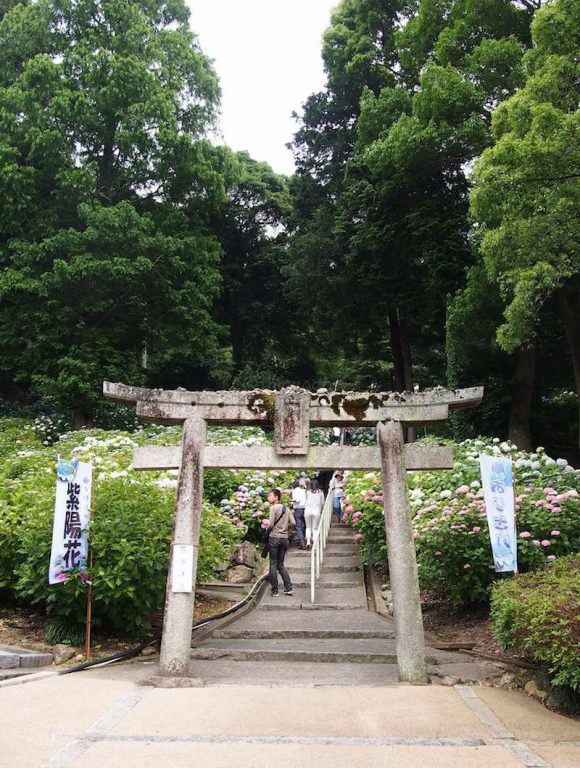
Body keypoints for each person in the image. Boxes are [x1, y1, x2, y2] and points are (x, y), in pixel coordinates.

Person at [266, 488, 294, 597]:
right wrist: (285, 529)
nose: (268, 498)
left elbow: (271, 525)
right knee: (281, 564)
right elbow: (293, 522)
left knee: (273, 563)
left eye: (270, 496)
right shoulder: (286, 509)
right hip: (284, 539)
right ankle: (288, 587)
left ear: (276, 497)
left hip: (274, 538)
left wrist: (268, 532)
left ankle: (275, 590)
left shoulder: (273, 508)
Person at [304, 480, 325, 547]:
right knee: (315, 528)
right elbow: (322, 503)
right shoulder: (320, 492)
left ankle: (308, 541)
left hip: (307, 510)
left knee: (308, 527)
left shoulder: (307, 492)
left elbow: (306, 500)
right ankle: (315, 541)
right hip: (316, 510)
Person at [291, 480, 307, 549]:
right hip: (305, 509)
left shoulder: (295, 491)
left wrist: (290, 500)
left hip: (298, 509)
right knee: (304, 526)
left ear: (293, 487)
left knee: (299, 527)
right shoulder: (303, 490)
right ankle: (304, 540)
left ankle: (302, 543)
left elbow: (296, 500)